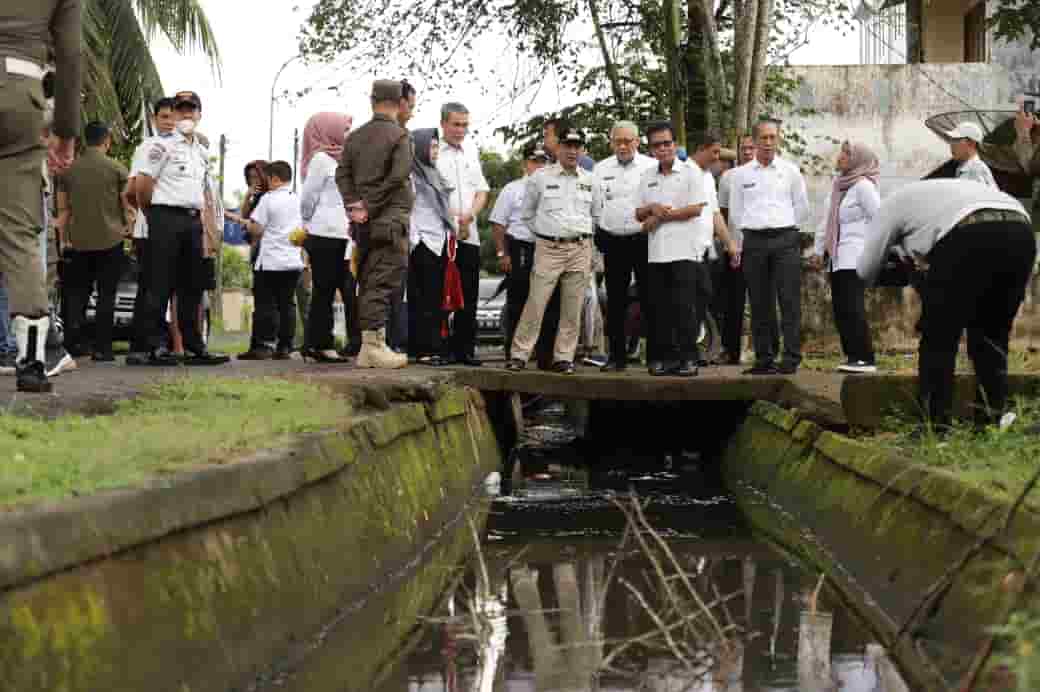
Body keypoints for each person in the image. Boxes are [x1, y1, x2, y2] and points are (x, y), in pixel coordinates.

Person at [858, 180, 1034, 430]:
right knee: (992, 334)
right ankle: (991, 421)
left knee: (939, 336)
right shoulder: (935, 198)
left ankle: (934, 425)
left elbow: (865, 269)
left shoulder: (888, 207)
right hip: (1020, 230)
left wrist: (898, 272)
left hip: (966, 232)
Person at [0, 0, 81, 392]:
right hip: (19, 96)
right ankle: (31, 361)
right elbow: (69, 53)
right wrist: (65, 130)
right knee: (19, 234)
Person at [134, 91, 229, 366]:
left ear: (199, 114)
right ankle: (156, 347)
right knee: (159, 284)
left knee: (191, 287)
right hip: (164, 217)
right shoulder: (161, 146)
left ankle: (193, 347)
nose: (186, 115)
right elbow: (142, 185)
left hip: (191, 220)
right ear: (173, 114)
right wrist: (152, 214)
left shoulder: (199, 151)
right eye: (181, 110)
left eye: (192, 110)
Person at [505, 125, 602, 374]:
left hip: (580, 247)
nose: (572, 151)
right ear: (557, 148)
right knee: (536, 303)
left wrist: (590, 250)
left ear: (582, 150)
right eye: (567, 146)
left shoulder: (591, 181)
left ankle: (564, 357)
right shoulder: (541, 177)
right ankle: (519, 354)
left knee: (573, 307)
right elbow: (527, 214)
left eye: (576, 146)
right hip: (549, 247)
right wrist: (546, 234)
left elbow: (597, 216)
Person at [336, 79, 413, 369]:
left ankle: (372, 344)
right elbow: (397, 177)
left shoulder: (354, 137)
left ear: (372, 101)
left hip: (363, 224)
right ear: (400, 103)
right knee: (382, 284)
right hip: (390, 220)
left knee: (368, 282)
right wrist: (370, 205)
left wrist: (355, 204)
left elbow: (341, 175)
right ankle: (373, 347)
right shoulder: (399, 136)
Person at [726, 119, 810, 375]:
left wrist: (786, 229)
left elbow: (802, 207)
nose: (768, 142)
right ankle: (764, 358)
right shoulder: (740, 175)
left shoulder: (790, 171)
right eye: (763, 137)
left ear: (778, 139)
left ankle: (791, 357)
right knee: (760, 302)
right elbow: (736, 214)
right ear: (754, 140)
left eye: (773, 137)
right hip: (754, 241)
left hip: (785, 240)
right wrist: (737, 247)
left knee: (789, 300)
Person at [635, 121, 709, 377]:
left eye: (667, 143)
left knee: (685, 308)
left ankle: (689, 359)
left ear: (675, 144)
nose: (663, 148)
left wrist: (661, 216)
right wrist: (652, 208)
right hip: (657, 253)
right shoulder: (647, 176)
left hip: (684, 250)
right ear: (651, 148)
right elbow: (638, 213)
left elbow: (696, 209)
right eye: (657, 145)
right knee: (661, 309)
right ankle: (666, 359)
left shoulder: (691, 172)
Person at [55, 121, 129, 362]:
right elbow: (126, 205)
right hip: (111, 240)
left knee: (77, 295)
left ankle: (73, 344)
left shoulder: (68, 171)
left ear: (85, 140)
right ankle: (103, 348)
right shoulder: (117, 169)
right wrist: (128, 230)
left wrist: (63, 240)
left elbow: (63, 209)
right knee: (107, 295)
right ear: (106, 140)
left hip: (78, 243)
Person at [811, 141, 882, 374]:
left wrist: (874, 251)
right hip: (837, 257)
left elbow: (880, 219)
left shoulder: (864, 187)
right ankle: (853, 356)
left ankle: (866, 358)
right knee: (841, 309)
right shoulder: (838, 187)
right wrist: (818, 251)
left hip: (856, 256)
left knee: (853, 307)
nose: (840, 156)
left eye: (846, 153)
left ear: (857, 160)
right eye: (842, 151)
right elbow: (826, 221)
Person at [593, 120, 656, 372]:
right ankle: (616, 357)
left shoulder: (651, 166)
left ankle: (655, 357)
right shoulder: (600, 168)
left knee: (650, 298)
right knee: (615, 301)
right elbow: (595, 206)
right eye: (617, 141)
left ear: (637, 142)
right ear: (611, 142)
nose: (622, 146)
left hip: (643, 239)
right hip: (613, 239)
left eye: (627, 141)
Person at [490, 143, 559, 362]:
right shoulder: (512, 189)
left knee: (549, 302)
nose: (539, 166)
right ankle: (514, 352)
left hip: (548, 247)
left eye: (543, 161)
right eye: (534, 161)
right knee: (518, 301)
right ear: (525, 164)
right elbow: (498, 224)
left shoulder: (556, 187)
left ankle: (545, 354)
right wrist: (503, 254)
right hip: (520, 246)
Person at [125, 97, 178, 365]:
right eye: (164, 116)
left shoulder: (186, 149)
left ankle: (151, 345)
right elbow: (131, 190)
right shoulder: (148, 147)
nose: (169, 122)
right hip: (150, 231)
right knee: (150, 290)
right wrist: (149, 214)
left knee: (160, 290)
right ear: (155, 119)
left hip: (171, 230)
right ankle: (143, 346)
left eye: (173, 117)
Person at [437, 102, 489, 366]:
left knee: (469, 293)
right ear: (444, 123)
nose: (461, 130)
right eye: (456, 124)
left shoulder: (471, 149)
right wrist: (453, 219)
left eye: (465, 125)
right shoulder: (433, 151)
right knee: (442, 293)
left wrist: (470, 216)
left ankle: (466, 349)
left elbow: (482, 191)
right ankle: (442, 349)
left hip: (469, 232)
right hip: (442, 234)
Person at [237, 161, 305, 359]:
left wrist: (247, 224)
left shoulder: (268, 199)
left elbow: (257, 228)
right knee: (287, 304)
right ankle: (285, 346)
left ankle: (262, 346)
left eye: (267, 178)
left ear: (275, 178)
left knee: (265, 304)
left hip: (270, 261)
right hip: (292, 261)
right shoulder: (297, 199)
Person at [299, 112, 353, 363]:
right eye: (345, 128)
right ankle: (321, 343)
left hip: (344, 235)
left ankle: (318, 343)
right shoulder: (321, 160)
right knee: (324, 289)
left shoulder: (346, 158)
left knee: (342, 289)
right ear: (328, 130)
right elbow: (308, 196)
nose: (349, 133)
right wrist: (309, 223)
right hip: (323, 233)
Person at [689, 130, 741, 367]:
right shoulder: (684, 173)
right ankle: (684, 350)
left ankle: (693, 348)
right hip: (684, 250)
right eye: (715, 152)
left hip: (705, 250)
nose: (718, 157)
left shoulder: (708, 177)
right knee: (689, 301)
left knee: (704, 297)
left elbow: (715, 213)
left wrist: (730, 244)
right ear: (701, 149)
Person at [407, 128, 455, 365]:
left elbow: (442, 211)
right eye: (431, 146)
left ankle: (435, 347)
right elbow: (410, 211)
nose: (435, 151)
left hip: (440, 243)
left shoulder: (434, 174)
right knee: (423, 299)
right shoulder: (412, 176)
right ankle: (423, 349)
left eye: (437, 147)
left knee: (436, 298)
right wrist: (416, 240)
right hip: (422, 243)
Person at [715, 134, 756, 365]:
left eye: (751, 148)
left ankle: (762, 351)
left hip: (760, 248)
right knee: (732, 303)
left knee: (762, 301)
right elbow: (723, 214)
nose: (747, 152)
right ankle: (730, 351)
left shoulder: (768, 176)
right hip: (734, 248)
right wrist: (729, 243)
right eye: (743, 148)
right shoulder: (727, 178)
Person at [235, 160, 273, 360]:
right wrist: (248, 195)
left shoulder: (271, 197)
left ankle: (266, 344)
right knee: (261, 297)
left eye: (256, 177)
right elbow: (245, 217)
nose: (254, 181)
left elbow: (254, 225)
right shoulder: (255, 197)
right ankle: (265, 343)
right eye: (250, 178)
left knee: (268, 299)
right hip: (256, 249)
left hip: (269, 251)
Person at [945, 122, 997, 188]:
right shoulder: (969, 169)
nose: (951, 144)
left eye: (956, 139)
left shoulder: (976, 170)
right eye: (951, 140)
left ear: (971, 143)